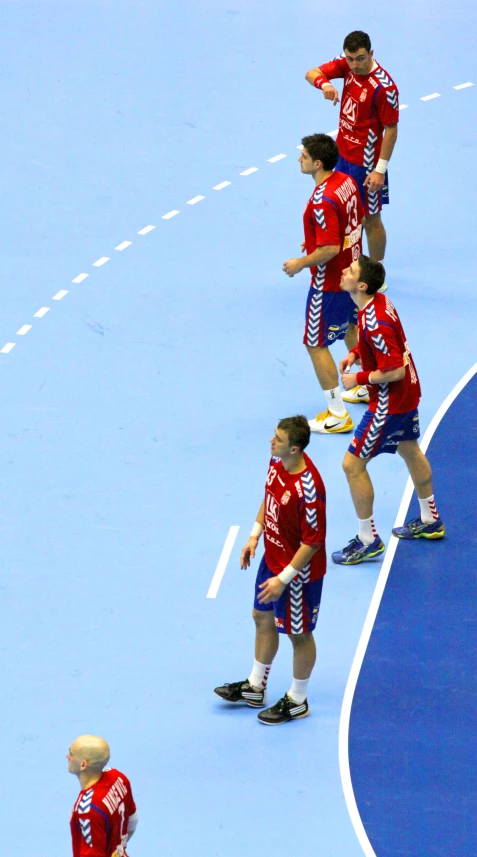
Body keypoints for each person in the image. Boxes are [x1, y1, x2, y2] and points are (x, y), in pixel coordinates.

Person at [332, 255, 445, 565]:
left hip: (388, 403)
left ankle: (368, 540)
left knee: (352, 466)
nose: (345, 271)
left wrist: (358, 377)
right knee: (410, 451)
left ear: (362, 285)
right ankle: (430, 520)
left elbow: (393, 369)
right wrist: (357, 353)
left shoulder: (374, 321)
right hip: (408, 393)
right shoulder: (380, 302)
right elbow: (382, 345)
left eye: (351, 271)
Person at [214, 416, 326, 725]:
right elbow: (269, 497)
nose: (270, 442)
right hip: (271, 558)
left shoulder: (309, 490)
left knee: (298, 634)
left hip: (297, 573)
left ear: (293, 447)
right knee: (261, 617)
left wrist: (283, 579)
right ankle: (255, 686)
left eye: (276, 439)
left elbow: (312, 543)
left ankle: (298, 700)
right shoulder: (277, 463)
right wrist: (254, 536)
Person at [282, 133, 364, 434]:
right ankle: (365, 385)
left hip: (330, 282)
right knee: (351, 327)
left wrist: (300, 263)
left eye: (303, 156)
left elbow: (329, 249)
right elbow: (352, 223)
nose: (299, 159)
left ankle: (337, 413)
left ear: (317, 163)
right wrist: (317, 240)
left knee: (315, 344)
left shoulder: (321, 200)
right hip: (355, 271)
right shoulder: (346, 181)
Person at [305, 30, 399, 265]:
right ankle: (343, 258)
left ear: (371, 54)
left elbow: (391, 130)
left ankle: (376, 273)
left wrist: (380, 169)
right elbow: (311, 73)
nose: (355, 65)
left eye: (360, 59)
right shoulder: (346, 65)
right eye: (350, 58)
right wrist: (325, 84)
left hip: (366, 165)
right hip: (341, 156)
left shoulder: (385, 88)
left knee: (371, 218)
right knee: (343, 210)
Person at [68, 734, 138, 856]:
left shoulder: (88, 810)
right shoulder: (118, 777)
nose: (67, 757)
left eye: (71, 754)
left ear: (83, 765)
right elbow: (133, 820)